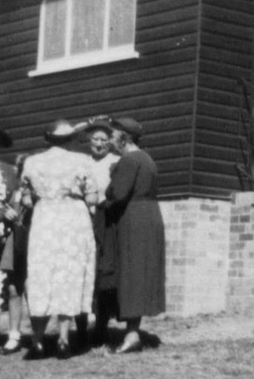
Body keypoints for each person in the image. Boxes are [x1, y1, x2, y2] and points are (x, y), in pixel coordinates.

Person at [21, 120, 98, 360]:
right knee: (69, 274)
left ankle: (37, 341)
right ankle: (64, 339)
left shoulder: (32, 162)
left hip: (45, 219)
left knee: (42, 274)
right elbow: (93, 197)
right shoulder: (83, 161)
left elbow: (25, 200)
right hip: (73, 219)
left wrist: (44, 198)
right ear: (70, 139)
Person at [102, 117, 166, 354]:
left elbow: (117, 194)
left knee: (131, 274)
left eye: (113, 135)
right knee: (140, 274)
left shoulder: (129, 160)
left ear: (124, 137)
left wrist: (104, 198)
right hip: (149, 216)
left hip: (133, 218)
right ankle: (133, 332)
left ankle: (131, 336)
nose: (110, 140)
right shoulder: (147, 159)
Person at [82, 116, 121, 347]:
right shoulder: (82, 162)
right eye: (95, 138)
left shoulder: (115, 162)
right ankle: (81, 325)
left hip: (106, 219)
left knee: (104, 271)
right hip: (83, 219)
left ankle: (101, 326)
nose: (99, 143)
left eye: (104, 139)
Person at [0, 122, 24, 355]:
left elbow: (17, 198)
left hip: (4, 236)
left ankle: (11, 335)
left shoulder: (7, 170)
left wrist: (14, 211)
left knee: (8, 285)